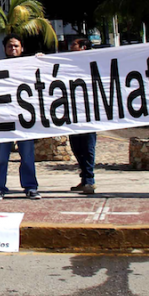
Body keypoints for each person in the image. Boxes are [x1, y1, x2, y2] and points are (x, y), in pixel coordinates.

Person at [0, 34, 40, 201]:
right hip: (4, 120)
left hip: (24, 119)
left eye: (16, 46)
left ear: (22, 48)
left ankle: (30, 187)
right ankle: (0, 187)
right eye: (10, 46)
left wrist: (43, 62)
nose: (13, 49)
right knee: (2, 158)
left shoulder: (29, 65)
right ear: (5, 49)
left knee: (27, 156)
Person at [66, 37, 97, 195]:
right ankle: (85, 178)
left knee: (88, 147)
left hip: (89, 113)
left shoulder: (92, 61)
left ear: (83, 47)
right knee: (76, 147)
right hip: (73, 112)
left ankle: (89, 181)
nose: (71, 47)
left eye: (74, 44)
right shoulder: (68, 63)